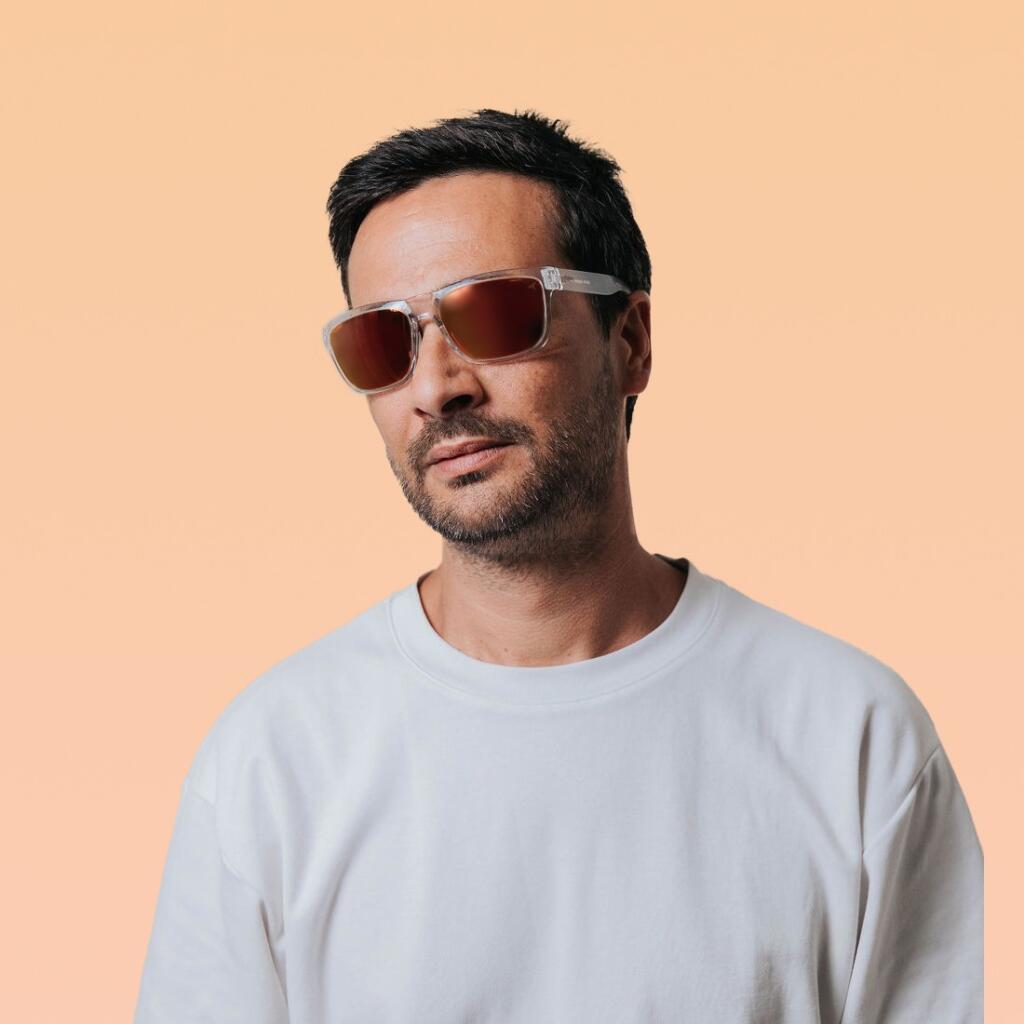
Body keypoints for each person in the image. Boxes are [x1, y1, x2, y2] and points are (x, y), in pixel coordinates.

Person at [133, 108, 983, 1023]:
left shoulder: (853, 739)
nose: (437, 387)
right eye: (383, 341)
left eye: (495, 315)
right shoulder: (273, 761)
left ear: (631, 343)